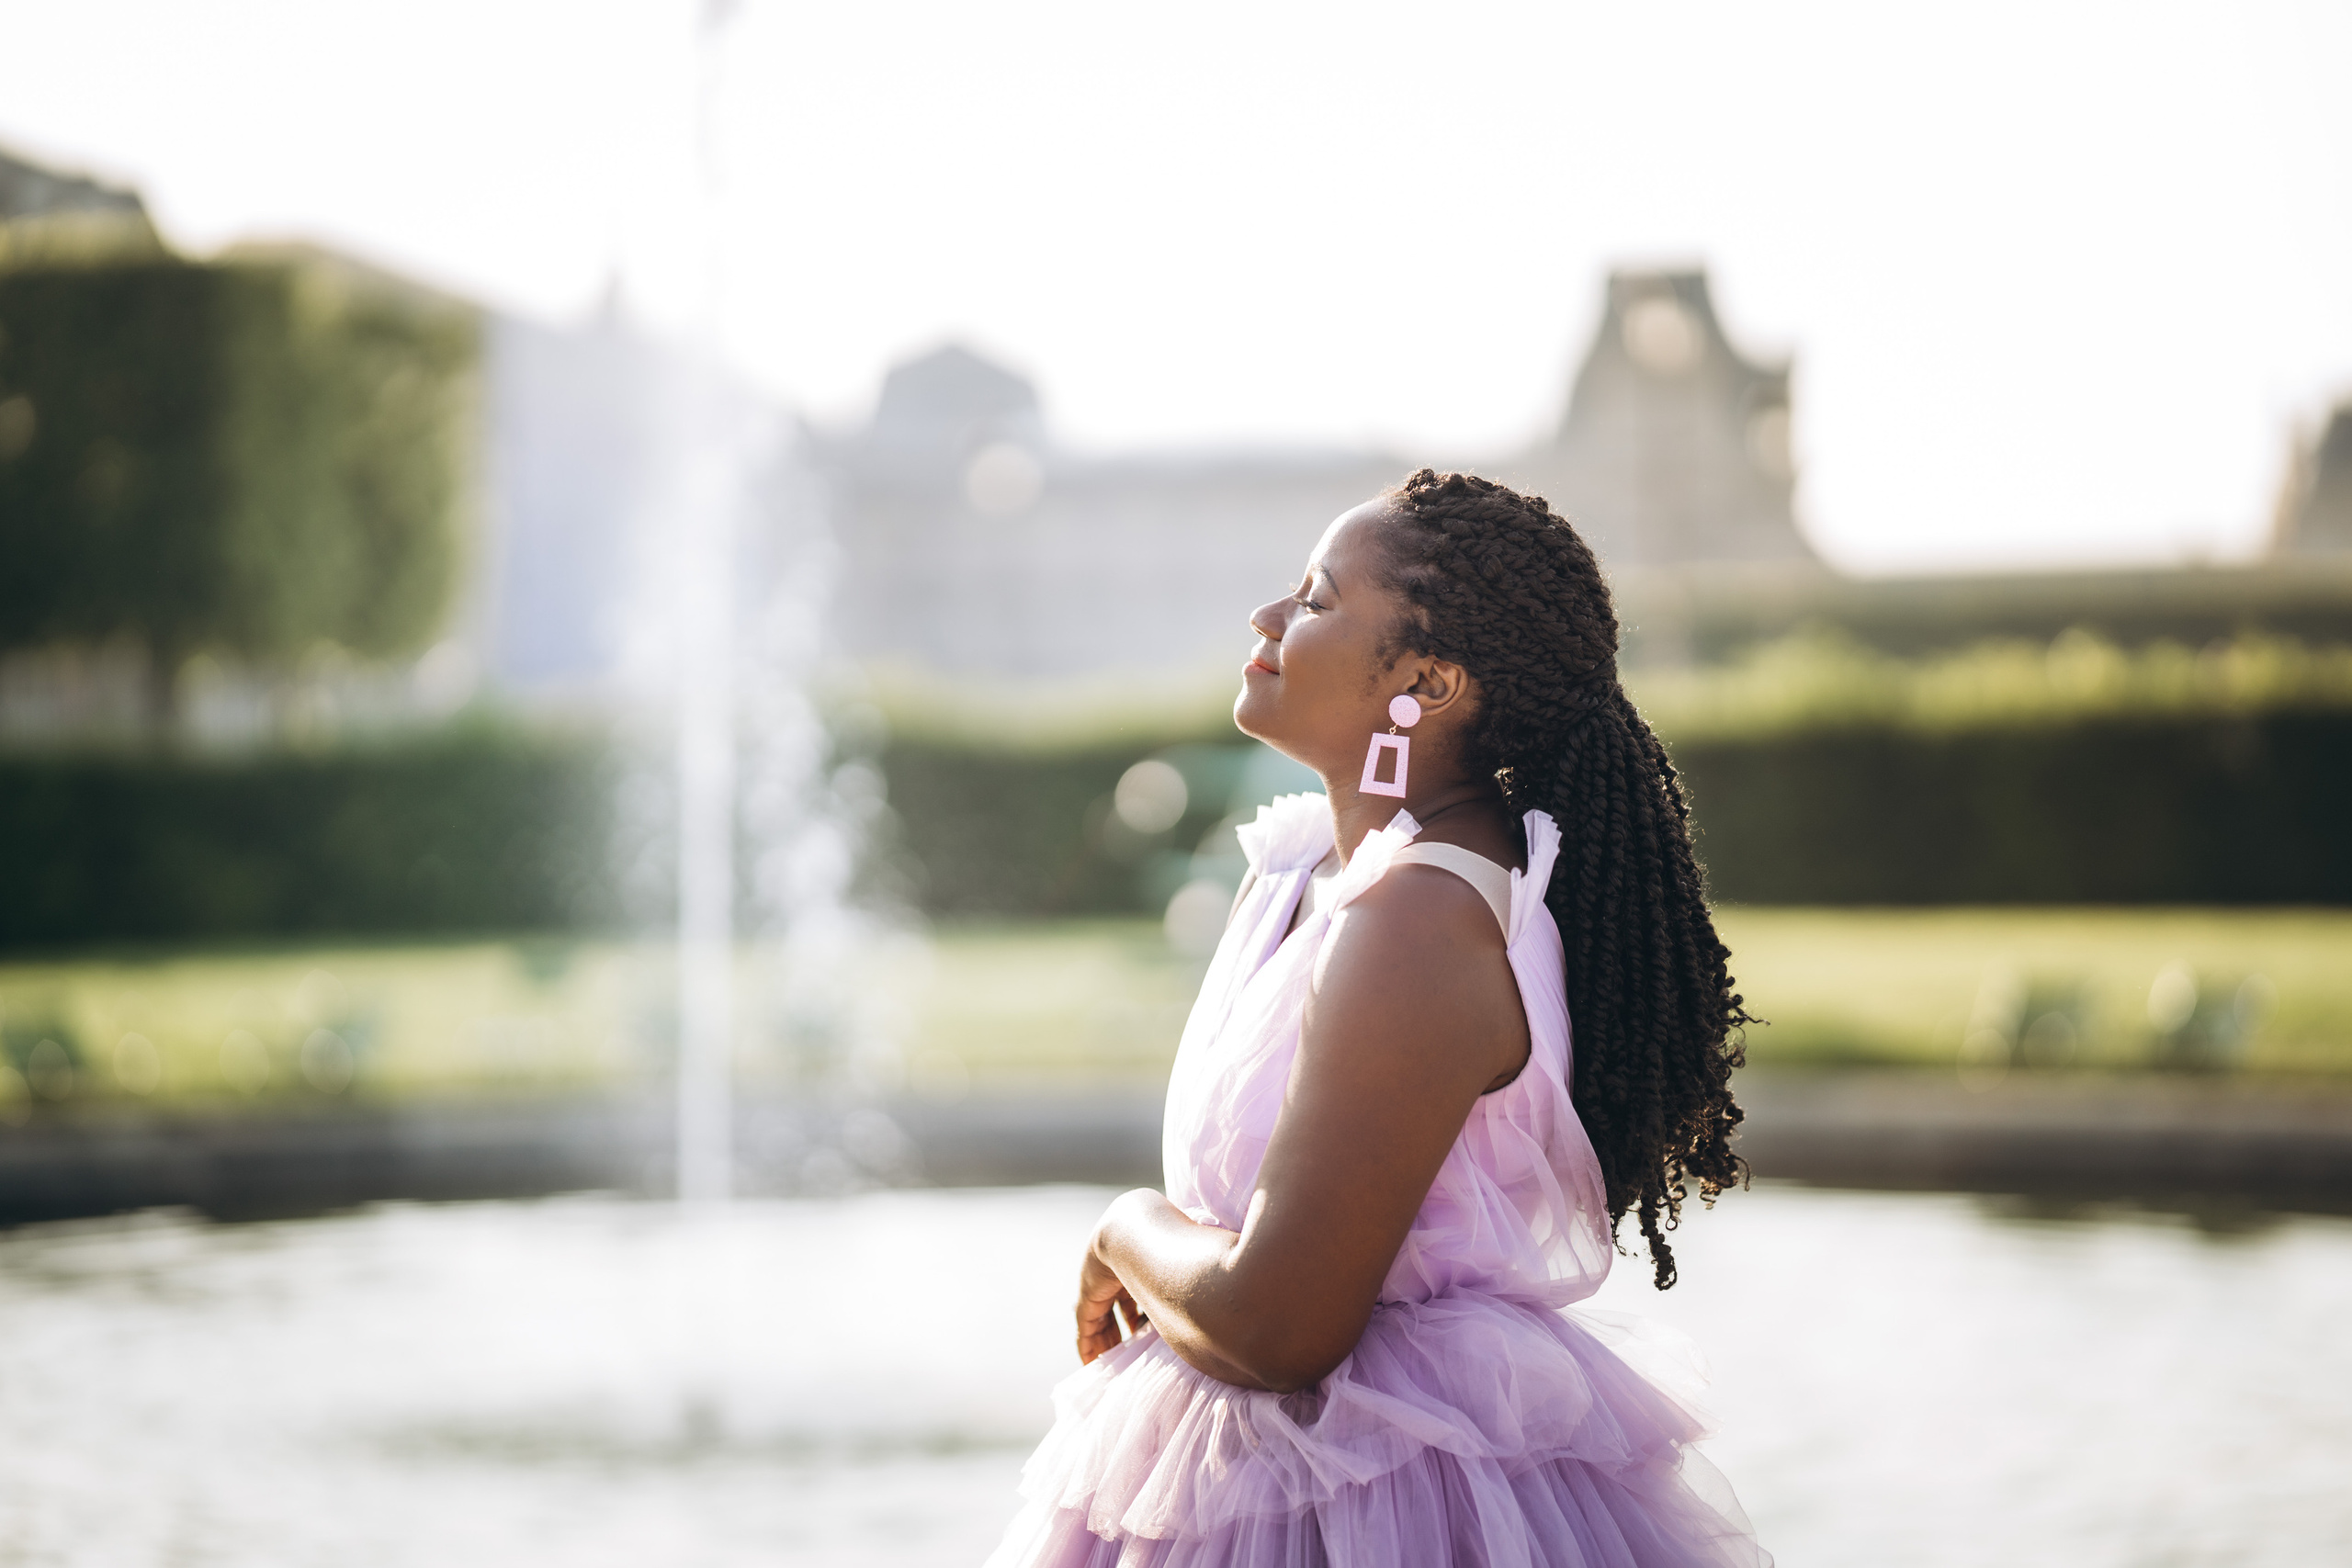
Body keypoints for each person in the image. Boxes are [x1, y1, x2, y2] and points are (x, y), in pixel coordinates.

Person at [986, 469, 1769, 1567]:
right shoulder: (1327, 863)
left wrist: (1126, 1228)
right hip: (1276, 1478)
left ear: (1429, 683)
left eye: (1313, 601)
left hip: (1368, 1499)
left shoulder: (1419, 920)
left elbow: (1277, 1328)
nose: (1266, 618)